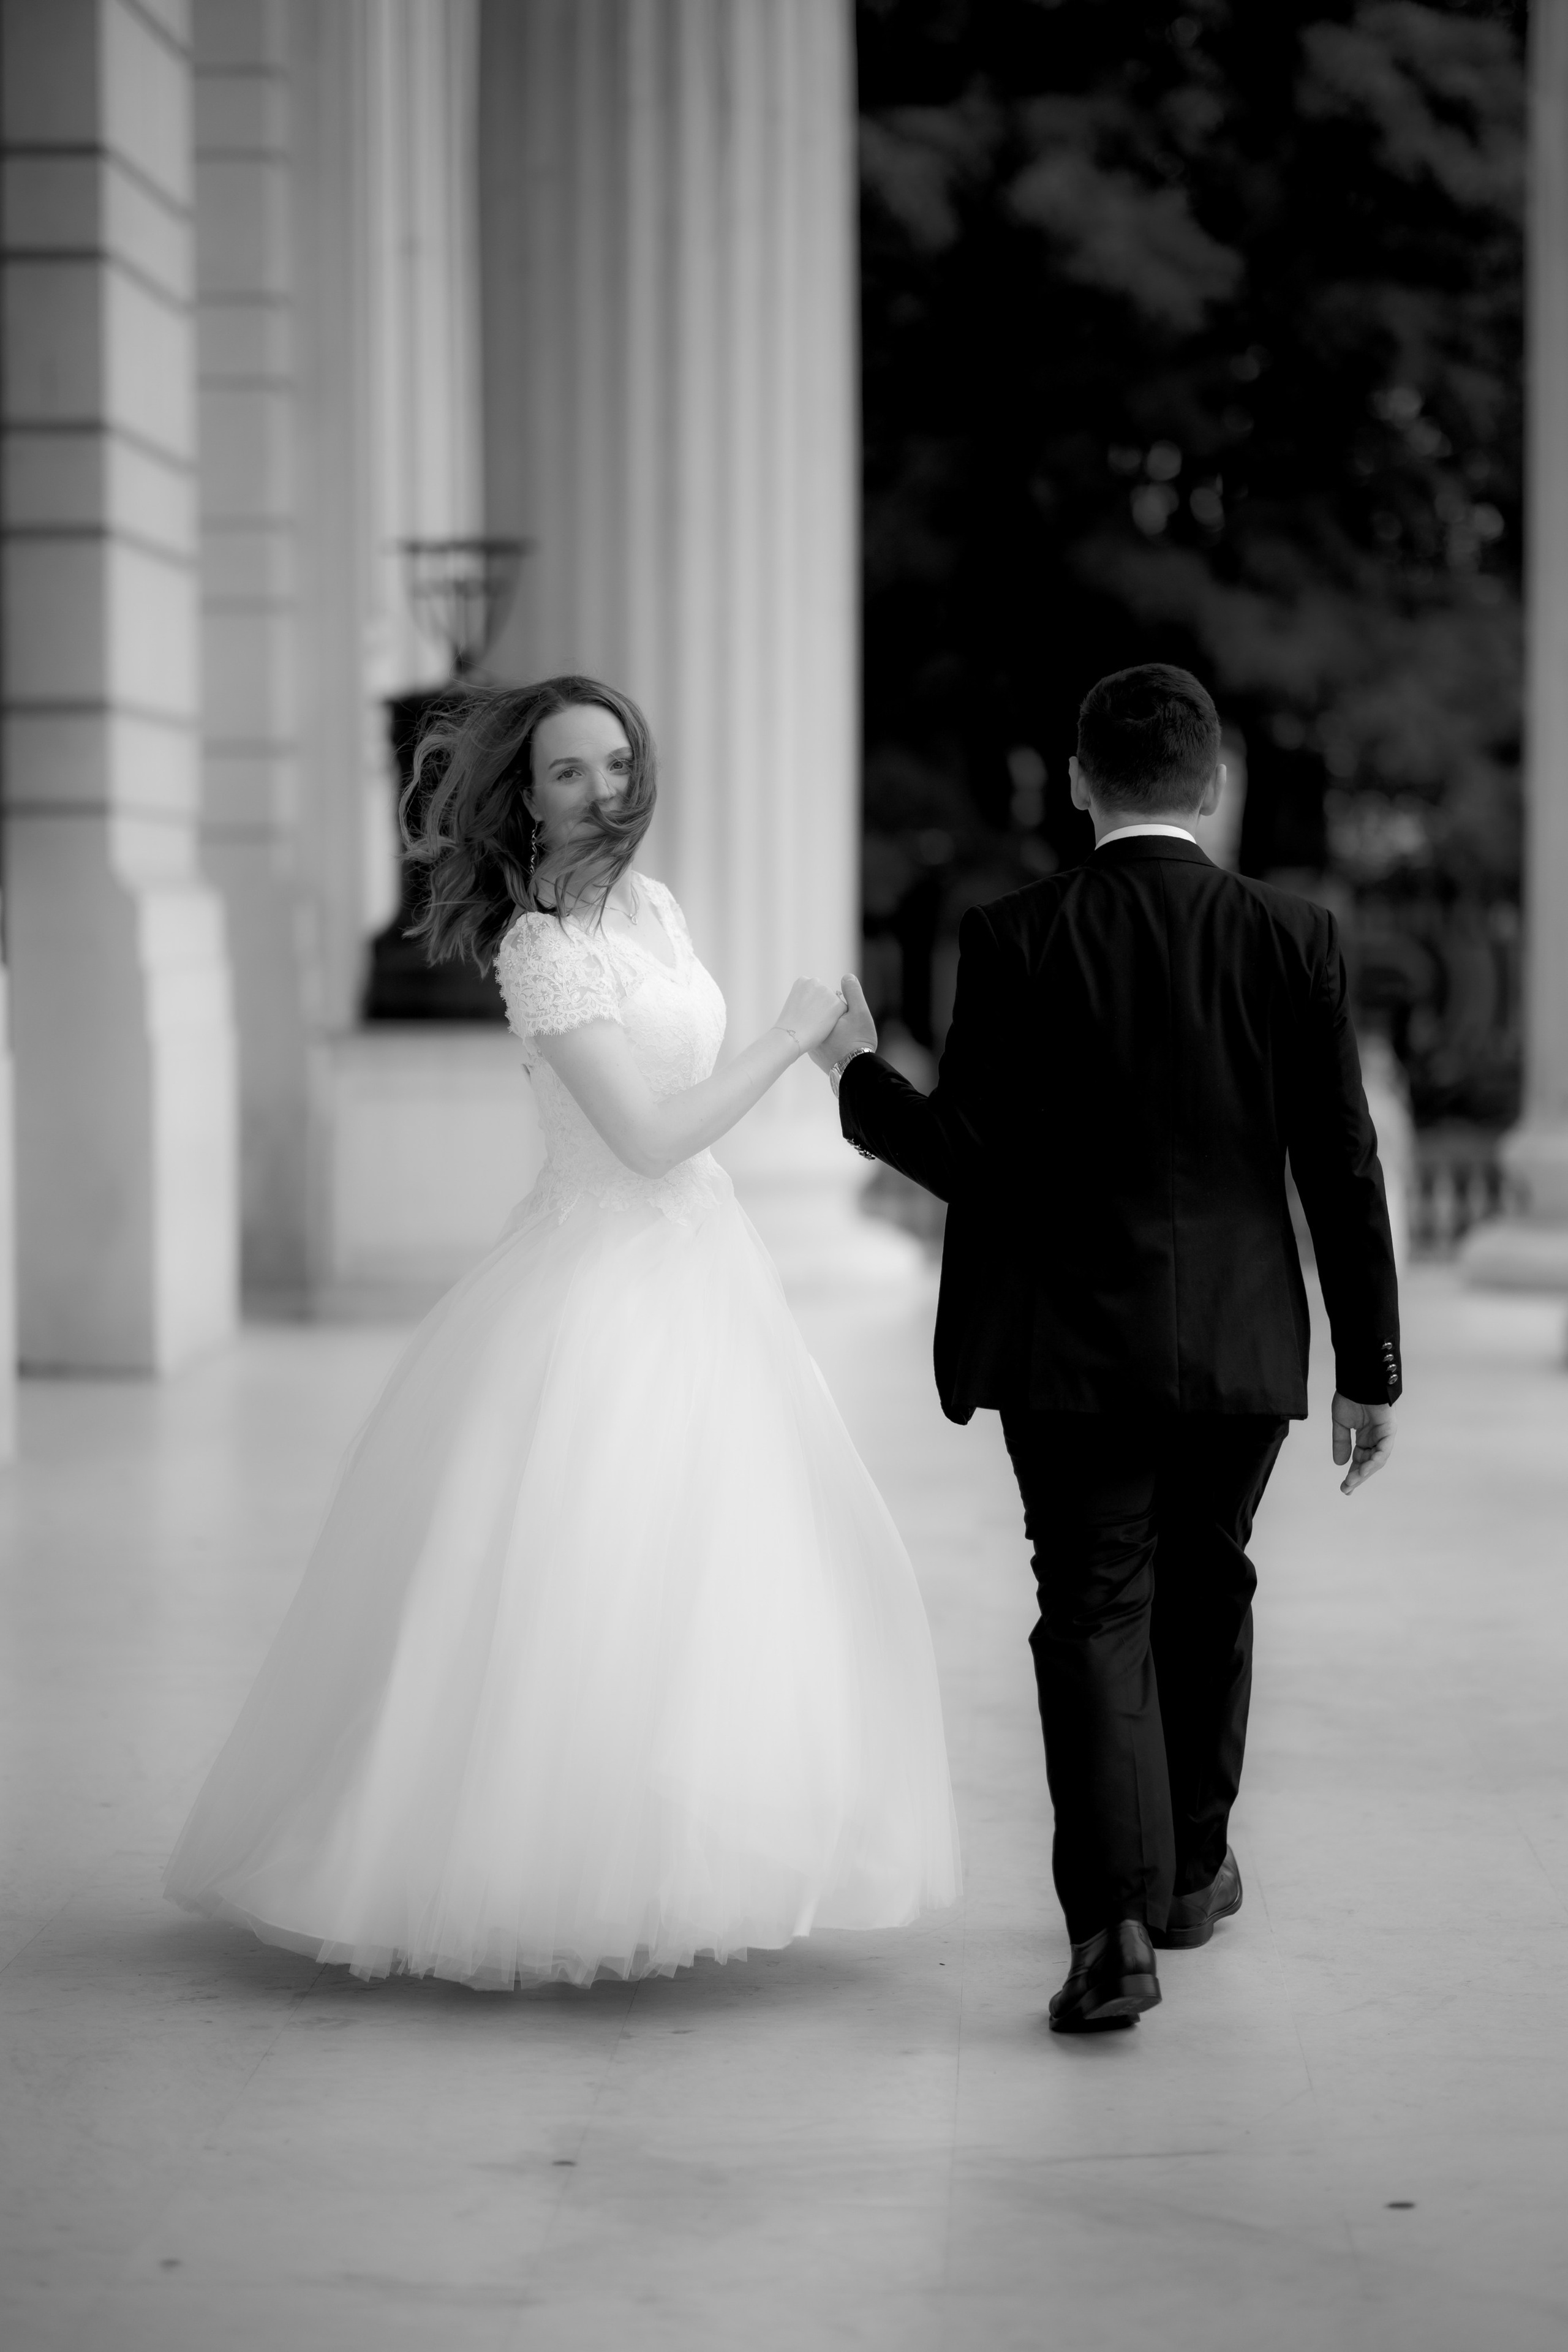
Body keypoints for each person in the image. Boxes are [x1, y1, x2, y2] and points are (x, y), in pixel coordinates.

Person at [165, 675, 960, 1988]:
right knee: (581, 1571)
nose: (601, 791)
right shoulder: (538, 949)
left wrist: (826, 1056)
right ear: (527, 800)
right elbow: (646, 1141)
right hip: (598, 1275)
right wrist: (785, 1035)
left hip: (707, 1267)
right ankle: (543, 1873)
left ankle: (686, 1855)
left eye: (616, 764)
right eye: (568, 772)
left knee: (715, 1573)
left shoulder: (654, 909)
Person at [810, 663, 1400, 2034]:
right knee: (1210, 1587)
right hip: (1241, 1346)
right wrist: (1369, 1367)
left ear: (1077, 782)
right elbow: (1344, 1167)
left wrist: (852, 1072)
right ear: (1214, 784)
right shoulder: (1295, 935)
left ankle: (1113, 1931)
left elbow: (963, 1156)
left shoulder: (1014, 933)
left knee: (1092, 1612)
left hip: (1067, 1353)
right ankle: (1191, 1873)